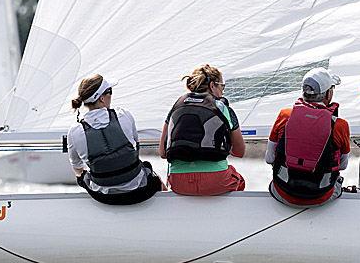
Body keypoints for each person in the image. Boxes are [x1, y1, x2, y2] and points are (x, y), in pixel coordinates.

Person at [68, 74, 165, 205]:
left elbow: (77, 168)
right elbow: (136, 147)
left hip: (103, 197)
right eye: (110, 92)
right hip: (139, 191)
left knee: (83, 177)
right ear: (101, 98)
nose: (111, 96)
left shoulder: (75, 131)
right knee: (152, 173)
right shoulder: (123, 115)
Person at [266, 67, 350, 207]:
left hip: (282, 193)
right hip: (321, 197)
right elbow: (342, 165)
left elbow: (269, 159)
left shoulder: (285, 116)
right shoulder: (340, 125)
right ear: (328, 94)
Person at [159, 64, 246, 195]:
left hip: (179, 183)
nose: (222, 91)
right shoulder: (223, 108)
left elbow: (163, 153)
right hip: (215, 180)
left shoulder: (175, 107)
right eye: (222, 86)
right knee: (239, 180)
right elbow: (240, 151)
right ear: (212, 85)